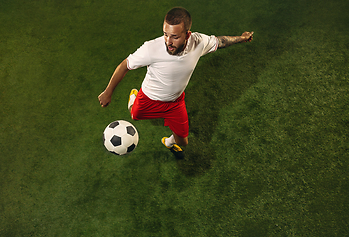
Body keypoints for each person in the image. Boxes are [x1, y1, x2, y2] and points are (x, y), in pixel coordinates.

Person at [98, 7, 253, 159]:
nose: (168, 41)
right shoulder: (151, 49)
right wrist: (108, 92)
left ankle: (169, 142)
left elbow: (221, 42)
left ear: (187, 35)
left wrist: (242, 38)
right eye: (165, 34)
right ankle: (134, 97)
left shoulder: (198, 42)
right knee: (134, 115)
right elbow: (125, 65)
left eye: (175, 37)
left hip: (175, 103)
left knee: (183, 142)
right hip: (148, 98)